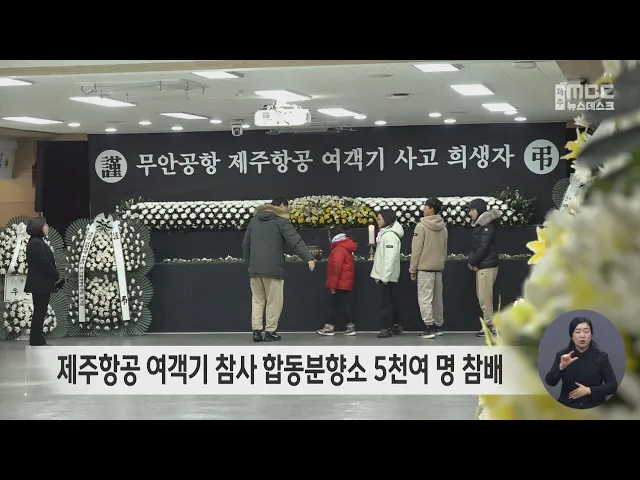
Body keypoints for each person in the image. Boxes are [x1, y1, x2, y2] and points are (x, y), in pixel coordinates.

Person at [242, 197, 315, 342]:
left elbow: (246, 245)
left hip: (255, 269)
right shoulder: (281, 221)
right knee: (274, 301)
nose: (288, 210)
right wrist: (308, 257)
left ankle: (256, 331)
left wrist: (250, 265)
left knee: (257, 300)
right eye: (287, 207)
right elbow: (295, 241)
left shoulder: (254, 221)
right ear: (282, 205)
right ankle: (270, 332)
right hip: (273, 270)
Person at [544, 316, 618, 409]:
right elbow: (550, 382)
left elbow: (612, 386)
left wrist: (589, 390)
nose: (582, 335)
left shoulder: (601, 357)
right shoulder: (563, 355)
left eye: (586, 331)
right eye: (578, 332)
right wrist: (561, 367)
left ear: (591, 334)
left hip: (594, 407)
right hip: (568, 406)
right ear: (572, 335)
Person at [409, 197, 448, 339]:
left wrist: (412, 269)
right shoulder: (443, 228)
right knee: (438, 299)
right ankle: (438, 326)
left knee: (425, 298)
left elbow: (416, 250)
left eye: (426, 206)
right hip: (438, 268)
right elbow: (444, 249)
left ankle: (429, 327)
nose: (424, 209)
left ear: (431, 209)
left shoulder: (421, 226)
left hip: (425, 268)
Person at [467, 198, 501, 337]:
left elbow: (483, 248)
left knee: (485, 298)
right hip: (483, 266)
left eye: (472, 210)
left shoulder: (486, 226)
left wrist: (471, 262)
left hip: (486, 266)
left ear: (479, 210)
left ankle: (489, 326)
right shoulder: (481, 225)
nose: (470, 213)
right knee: (483, 297)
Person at [24, 217, 60, 347]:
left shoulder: (37, 242)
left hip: (40, 283)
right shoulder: (36, 243)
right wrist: (55, 275)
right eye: (45, 225)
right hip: (40, 283)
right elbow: (44, 263)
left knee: (40, 311)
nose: (47, 227)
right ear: (38, 227)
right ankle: (36, 340)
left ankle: (37, 339)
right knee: (39, 311)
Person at [317, 227, 358, 336]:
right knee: (340, 306)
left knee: (337, 307)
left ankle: (334, 327)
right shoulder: (344, 247)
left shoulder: (338, 250)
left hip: (339, 284)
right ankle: (343, 326)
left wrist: (332, 286)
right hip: (345, 283)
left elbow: (336, 269)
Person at [371, 209, 405, 338]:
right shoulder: (385, 234)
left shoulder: (390, 236)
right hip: (386, 276)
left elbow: (389, 259)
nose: (377, 221)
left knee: (386, 303)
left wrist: (384, 277)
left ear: (387, 219)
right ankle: (396, 325)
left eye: (379, 219)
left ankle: (386, 328)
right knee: (391, 301)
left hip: (387, 277)